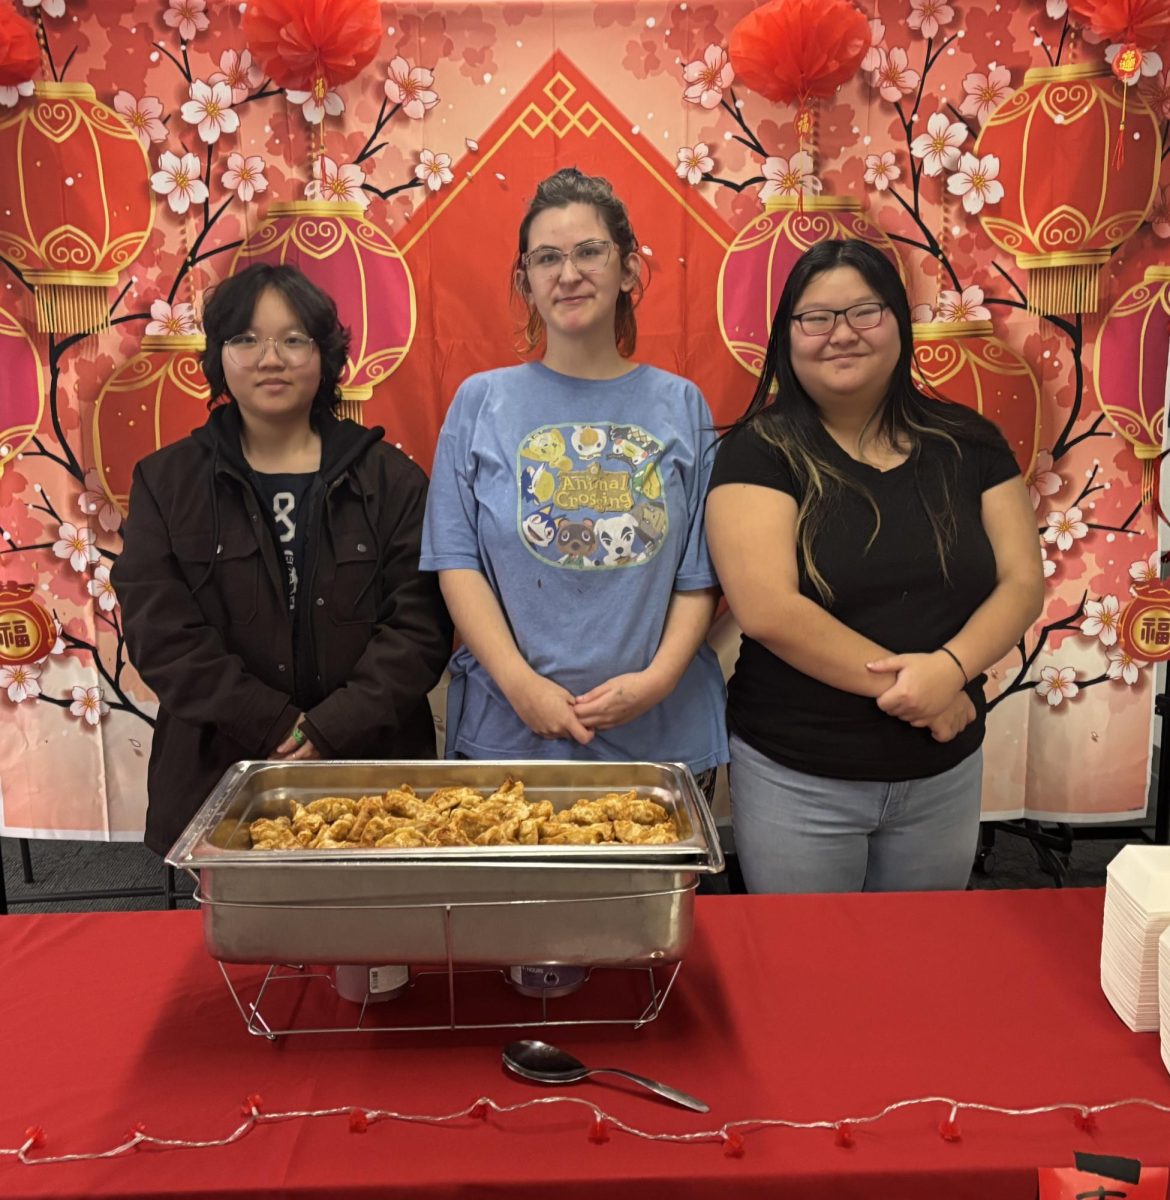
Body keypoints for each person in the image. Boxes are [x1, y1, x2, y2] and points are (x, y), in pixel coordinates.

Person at [705, 239, 1044, 893]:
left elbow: (1022, 581)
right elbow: (768, 609)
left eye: (865, 311)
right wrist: (918, 696)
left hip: (943, 767)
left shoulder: (969, 441)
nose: (842, 334)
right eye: (816, 318)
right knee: (806, 969)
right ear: (787, 336)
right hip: (799, 768)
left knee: (919, 964)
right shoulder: (758, 450)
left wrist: (945, 675)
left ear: (899, 321)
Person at [114, 263, 453, 855]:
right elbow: (160, 632)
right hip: (218, 772)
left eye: (294, 339)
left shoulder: (391, 480)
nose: (270, 358)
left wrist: (329, 728)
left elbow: (420, 628)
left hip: (369, 773)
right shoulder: (166, 482)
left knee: (371, 938)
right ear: (219, 356)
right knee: (241, 942)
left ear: (325, 356)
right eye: (246, 339)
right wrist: (271, 724)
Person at [420, 167, 727, 792]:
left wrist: (657, 682)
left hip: (661, 742)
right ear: (525, 280)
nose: (569, 273)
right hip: (512, 737)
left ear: (628, 269)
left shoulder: (683, 407)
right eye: (547, 258)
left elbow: (699, 574)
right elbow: (456, 563)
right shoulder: (480, 403)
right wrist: (520, 685)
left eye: (590, 251)